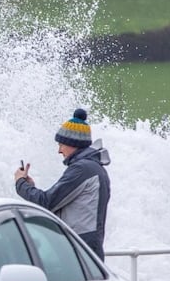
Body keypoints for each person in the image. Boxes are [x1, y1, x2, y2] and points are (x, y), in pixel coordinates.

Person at [14, 108, 111, 260]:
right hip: (88, 247)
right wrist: (31, 186)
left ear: (73, 143)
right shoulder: (95, 167)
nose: (59, 150)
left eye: (61, 144)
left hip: (80, 249)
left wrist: (20, 183)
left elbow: (46, 202)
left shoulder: (81, 169)